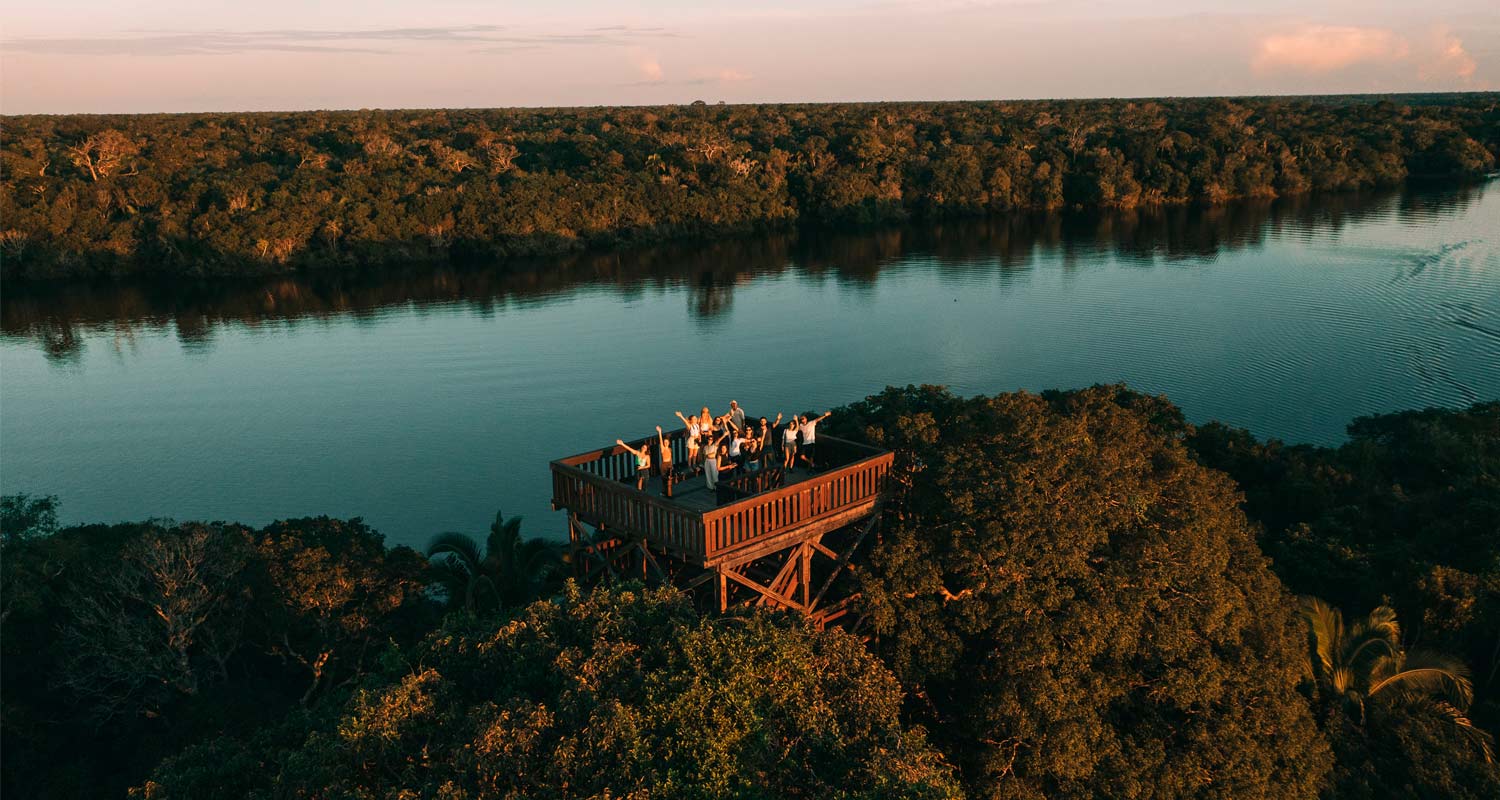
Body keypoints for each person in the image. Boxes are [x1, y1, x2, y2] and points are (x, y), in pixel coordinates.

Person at [654, 425, 675, 497]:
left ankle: (668, 491)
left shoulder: (669, 449)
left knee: (669, 478)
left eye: (667, 442)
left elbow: (671, 458)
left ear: (669, 443)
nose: (666, 443)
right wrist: (660, 432)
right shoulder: (662, 449)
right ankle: (664, 491)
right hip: (664, 465)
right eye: (664, 442)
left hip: (669, 463)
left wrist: (672, 465)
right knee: (664, 479)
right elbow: (660, 440)